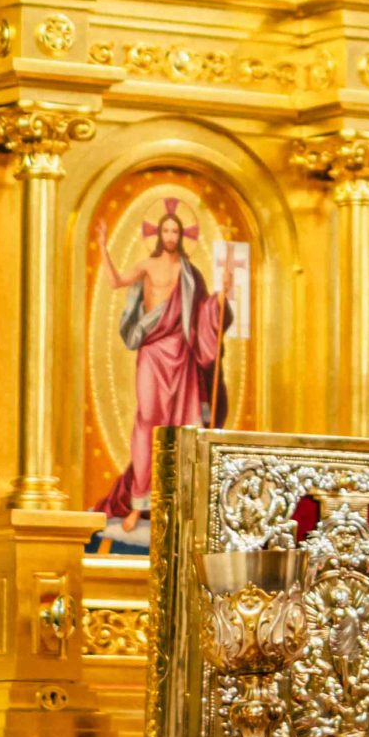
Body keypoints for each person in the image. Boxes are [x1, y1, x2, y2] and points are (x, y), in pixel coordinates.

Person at [94, 200, 231, 551]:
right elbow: (116, 281)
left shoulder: (189, 272)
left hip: (182, 353)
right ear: (159, 234)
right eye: (166, 230)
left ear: (182, 236)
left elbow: (202, 312)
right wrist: (102, 247)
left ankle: (183, 500)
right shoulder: (148, 265)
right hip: (154, 352)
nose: (171, 236)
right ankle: (140, 505)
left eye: (176, 231)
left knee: (183, 424)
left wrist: (218, 299)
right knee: (147, 421)